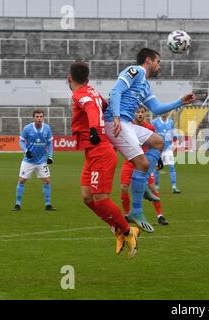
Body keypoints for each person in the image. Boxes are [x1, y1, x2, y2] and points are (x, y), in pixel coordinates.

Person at [104, 48, 195, 233]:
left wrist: (180, 102)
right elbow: (115, 92)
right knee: (143, 163)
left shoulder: (145, 85)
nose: (159, 65)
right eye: (158, 61)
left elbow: (157, 108)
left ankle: (143, 183)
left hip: (126, 123)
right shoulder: (135, 71)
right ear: (148, 60)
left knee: (158, 142)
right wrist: (114, 116)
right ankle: (136, 211)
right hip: (116, 122)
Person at [69, 62, 140, 258]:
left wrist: (93, 129)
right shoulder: (92, 90)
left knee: (100, 199)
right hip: (92, 153)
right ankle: (116, 228)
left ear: (69, 78)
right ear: (88, 79)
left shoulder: (80, 95)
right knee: (87, 197)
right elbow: (104, 105)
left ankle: (128, 231)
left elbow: (92, 108)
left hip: (100, 151)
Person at [120, 105, 170, 226]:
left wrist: (158, 159)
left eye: (142, 112)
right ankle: (127, 214)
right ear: (134, 113)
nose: (140, 114)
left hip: (144, 162)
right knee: (123, 188)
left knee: (153, 188)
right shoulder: (128, 126)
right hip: (130, 161)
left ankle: (160, 215)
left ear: (146, 114)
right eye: (137, 112)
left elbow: (156, 144)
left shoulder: (150, 127)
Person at [13, 109, 56, 212]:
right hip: (28, 160)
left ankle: (48, 204)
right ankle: (17, 204)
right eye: (37, 117)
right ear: (34, 118)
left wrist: (50, 156)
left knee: (47, 181)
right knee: (22, 180)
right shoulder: (27, 128)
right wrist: (25, 151)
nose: (39, 119)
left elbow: (50, 143)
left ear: (43, 117)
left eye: (41, 117)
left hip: (42, 161)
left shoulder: (47, 128)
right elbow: (21, 141)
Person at [152, 112, 181, 193]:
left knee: (172, 167)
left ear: (168, 112)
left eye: (166, 111)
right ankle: (156, 187)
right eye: (163, 111)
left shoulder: (171, 122)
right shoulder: (154, 122)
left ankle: (174, 187)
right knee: (157, 168)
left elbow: (173, 134)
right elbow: (151, 134)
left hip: (168, 149)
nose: (164, 113)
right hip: (158, 149)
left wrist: (175, 142)